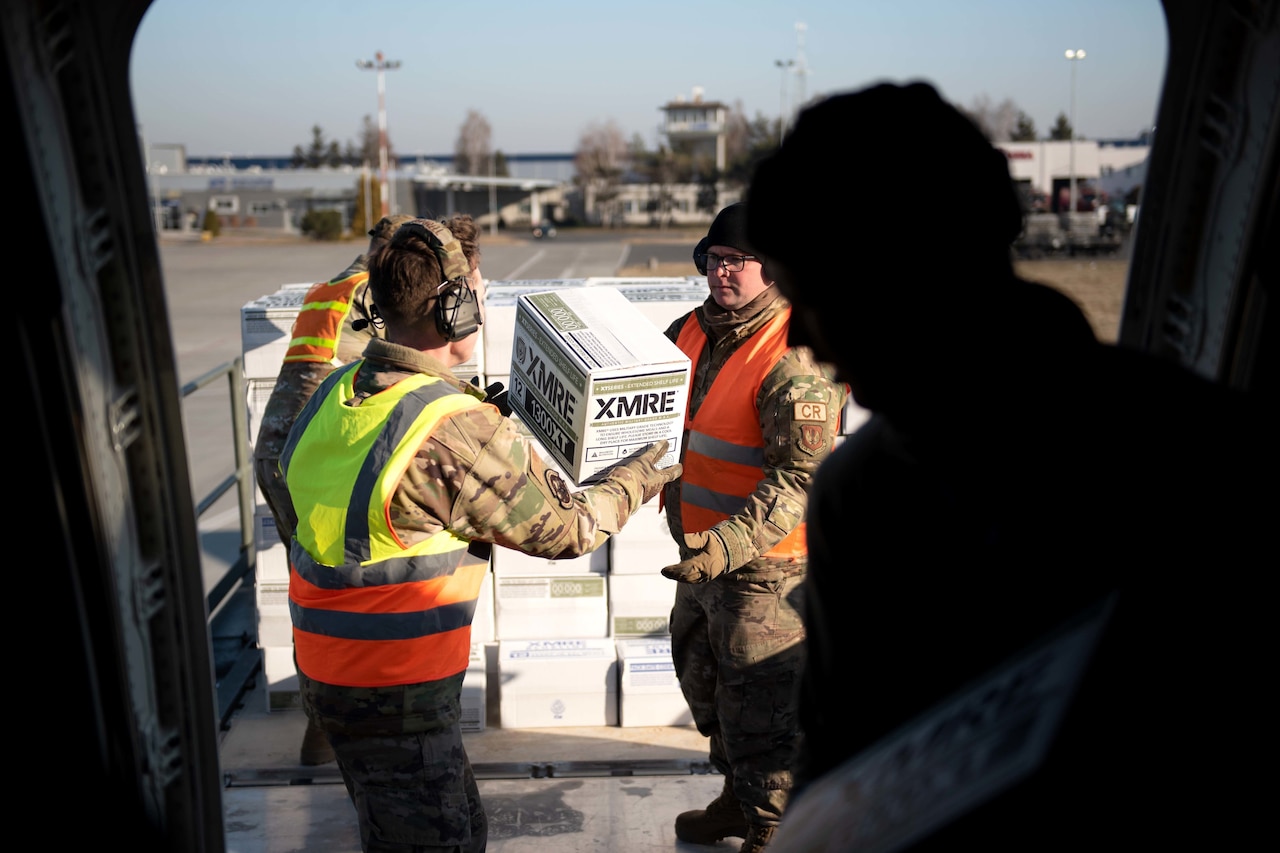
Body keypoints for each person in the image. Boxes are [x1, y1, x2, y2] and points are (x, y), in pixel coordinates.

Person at [744, 81, 1271, 849]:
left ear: (903, 276)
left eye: (816, 297)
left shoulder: (1202, 459)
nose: (800, 342)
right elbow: (838, 765)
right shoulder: (858, 496)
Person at [280, 216, 682, 853]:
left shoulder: (338, 391)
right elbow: (568, 529)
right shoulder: (449, 429)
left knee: (453, 828)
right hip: (395, 692)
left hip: (335, 677)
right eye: (476, 289)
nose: (484, 300)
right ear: (454, 308)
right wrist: (635, 476)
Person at [658, 203, 846, 853]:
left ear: (772, 268)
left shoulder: (793, 355)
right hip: (699, 557)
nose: (723, 272)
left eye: (737, 261)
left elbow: (799, 480)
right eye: (714, 259)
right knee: (704, 678)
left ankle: (779, 819)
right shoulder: (689, 330)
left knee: (762, 697)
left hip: (766, 566)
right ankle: (739, 795)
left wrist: (728, 546)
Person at [253, 212, 415, 766]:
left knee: (312, 584)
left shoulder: (331, 286)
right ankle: (333, 727)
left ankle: (324, 724)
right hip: (309, 454)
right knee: (342, 589)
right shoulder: (375, 293)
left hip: (282, 451)